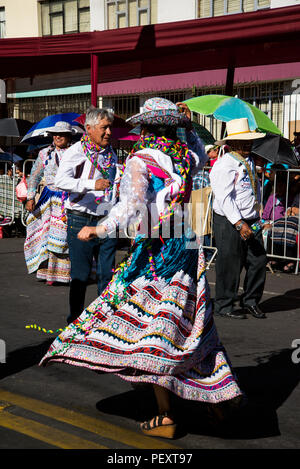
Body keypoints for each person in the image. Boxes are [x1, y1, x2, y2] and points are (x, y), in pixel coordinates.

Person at [40, 98, 243, 439]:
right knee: (192, 324)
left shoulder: (141, 159)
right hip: (188, 245)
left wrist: (99, 229)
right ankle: (216, 397)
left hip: (159, 251)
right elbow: (195, 147)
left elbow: (131, 208)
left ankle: (166, 415)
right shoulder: (187, 157)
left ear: (145, 129)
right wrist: (188, 127)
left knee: (156, 329)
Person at [53, 107, 118, 325]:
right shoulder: (76, 152)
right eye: (104, 127)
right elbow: (60, 181)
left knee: (106, 275)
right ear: (88, 129)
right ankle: (74, 324)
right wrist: (92, 185)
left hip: (105, 219)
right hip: (80, 219)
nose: (109, 132)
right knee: (80, 277)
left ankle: (104, 323)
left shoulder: (111, 154)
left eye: (110, 127)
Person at [210, 118, 267, 320]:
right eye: (243, 140)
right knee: (230, 262)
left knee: (258, 260)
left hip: (250, 218)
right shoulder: (224, 164)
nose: (248, 144)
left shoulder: (249, 161)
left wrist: (256, 216)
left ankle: (251, 301)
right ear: (232, 143)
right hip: (229, 220)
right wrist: (239, 222)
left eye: (249, 140)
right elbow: (225, 198)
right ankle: (224, 304)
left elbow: (252, 191)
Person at [24, 121, 74, 285]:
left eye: (62, 134)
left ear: (68, 136)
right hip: (49, 199)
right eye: (55, 134)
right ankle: (49, 273)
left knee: (65, 235)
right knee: (45, 233)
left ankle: (68, 273)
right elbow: (34, 176)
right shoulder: (44, 153)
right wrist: (30, 197)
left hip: (69, 198)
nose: (58, 136)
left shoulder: (76, 153)